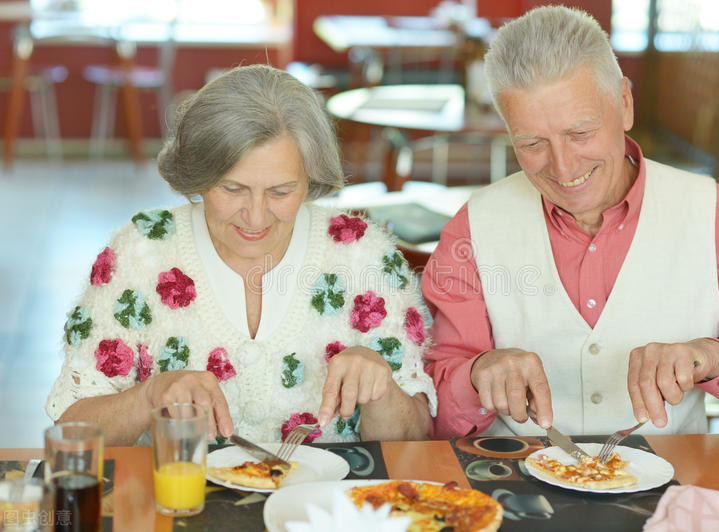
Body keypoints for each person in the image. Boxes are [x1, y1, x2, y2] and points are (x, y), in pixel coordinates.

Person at [422, 5, 719, 438]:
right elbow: (432, 411)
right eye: (532, 143)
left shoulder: (716, 216)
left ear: (624, 103)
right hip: (510, 492)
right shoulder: (474, 228)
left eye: (580, 133)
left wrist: (712, 359)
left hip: (672, 493)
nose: (563, 169)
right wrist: (475, 377)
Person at [47, 65, 436, 445]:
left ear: (310, 179)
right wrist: (146, 397)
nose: (255, 216)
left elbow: (414, 438)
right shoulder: (141, 252)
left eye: (281, 192)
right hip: (179, 503)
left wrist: (381, 386)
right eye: (233, 189)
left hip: (328, 506)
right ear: (199, 177)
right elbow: (71, 431)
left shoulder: (362, 254)